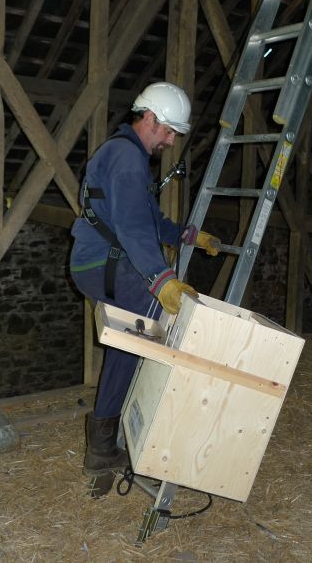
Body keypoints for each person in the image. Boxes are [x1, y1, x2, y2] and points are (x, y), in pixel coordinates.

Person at [69, 82, 220, 476]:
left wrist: (188, 235)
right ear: (149, 118)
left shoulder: (126, 156)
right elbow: (135, 231)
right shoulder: (126, 159)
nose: (171, 141)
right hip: (106, 266)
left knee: (131, 340)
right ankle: (179, 431)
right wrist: (162, 281)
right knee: (179, 321)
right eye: (169, 131)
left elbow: (149, 220)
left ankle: (103, 445)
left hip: (98, 265)